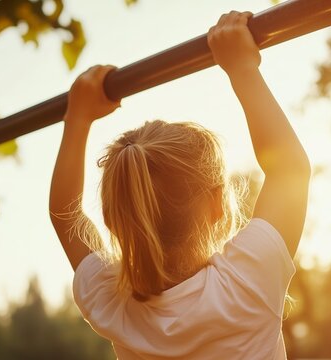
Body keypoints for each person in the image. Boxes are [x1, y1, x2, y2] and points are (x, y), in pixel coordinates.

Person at [49, 10, 310, 359]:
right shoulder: (244, 284)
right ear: (217, 204)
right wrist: (242, 68)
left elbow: (64, 214)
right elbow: (289, 170)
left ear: (114, 221)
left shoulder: (114, 304)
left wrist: (76, 117)